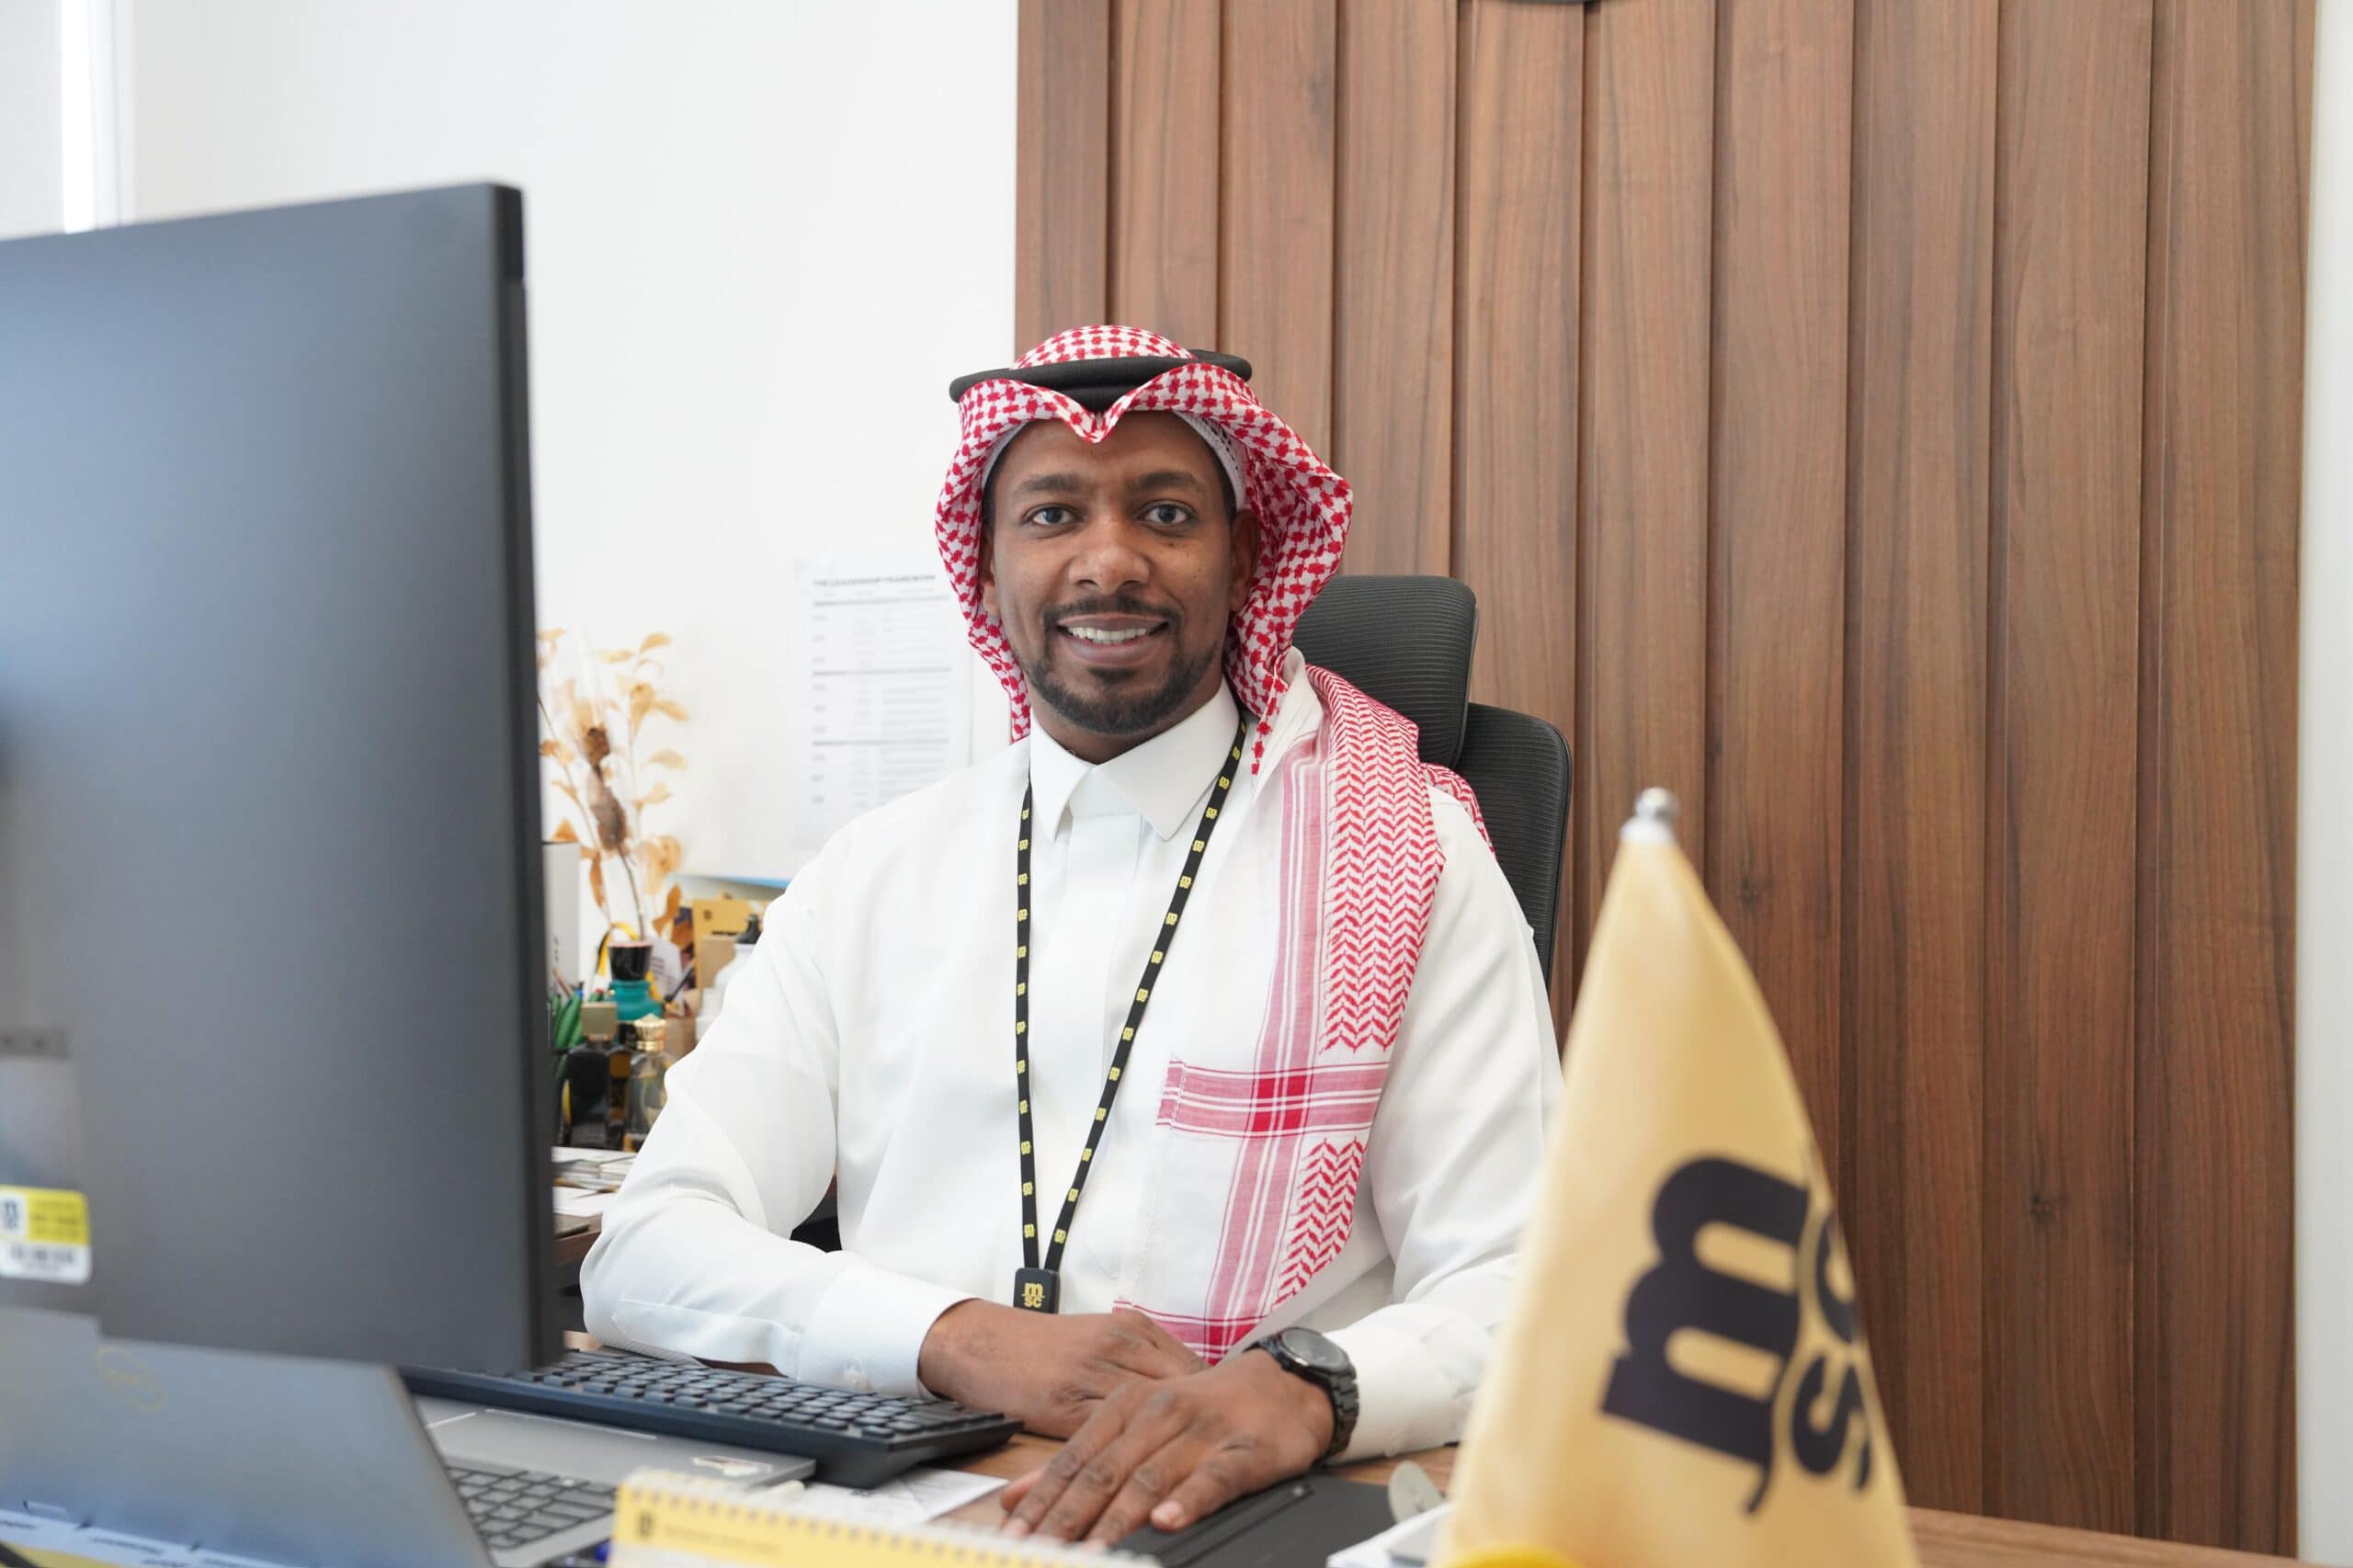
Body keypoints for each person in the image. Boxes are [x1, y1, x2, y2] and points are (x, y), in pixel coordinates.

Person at [582, 326, 1560, 1544]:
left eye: (1166, 513)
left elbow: (1527, 1284)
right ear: (987, 569)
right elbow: (645, 1246)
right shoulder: (875, 874)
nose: (1110, 562)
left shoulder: (1411, 855)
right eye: (1052, 516)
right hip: (914, 1501)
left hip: (1268, 1507)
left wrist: (1309, 1388)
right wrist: (953, 1337)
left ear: (1245, 558)